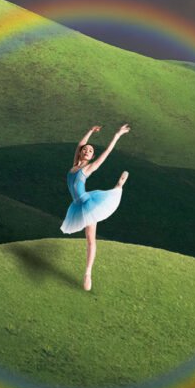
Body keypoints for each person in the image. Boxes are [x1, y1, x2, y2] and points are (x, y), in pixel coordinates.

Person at [60, 125, 130, 291]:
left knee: (91, 239)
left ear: (92, 157)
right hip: (77, 205)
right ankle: (118, 186)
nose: (87, 151)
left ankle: (88, 273)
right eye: (86, 150)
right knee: (88, 239)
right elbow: (80, 145)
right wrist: (90, 132)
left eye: (91, 151)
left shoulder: (87, 169)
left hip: (88, 204)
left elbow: (105, 153)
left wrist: (117, 135)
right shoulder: (74, 167)